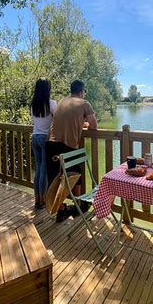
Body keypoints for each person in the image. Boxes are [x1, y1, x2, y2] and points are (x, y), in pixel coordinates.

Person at [46, 79, 97, 222]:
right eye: (84, 92)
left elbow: (66, 120)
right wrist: (85, 124)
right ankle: (78, 205)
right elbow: (94, 126)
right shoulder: (84, 103)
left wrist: (81, 123)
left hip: (50, 144)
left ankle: (61, 210)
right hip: (66, 145)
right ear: (81, 92)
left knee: (56, 180)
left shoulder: (62, 102)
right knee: (76, 175)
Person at [31, 78, 57, 209]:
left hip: (34, 137)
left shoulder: (33, 104)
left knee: (38, 168)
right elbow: (58, 120)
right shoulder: (51, 104)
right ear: (48, 89)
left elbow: (34, 122)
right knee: (44, 171)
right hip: (45, 139)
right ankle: (43, 201)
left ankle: (37, 200)